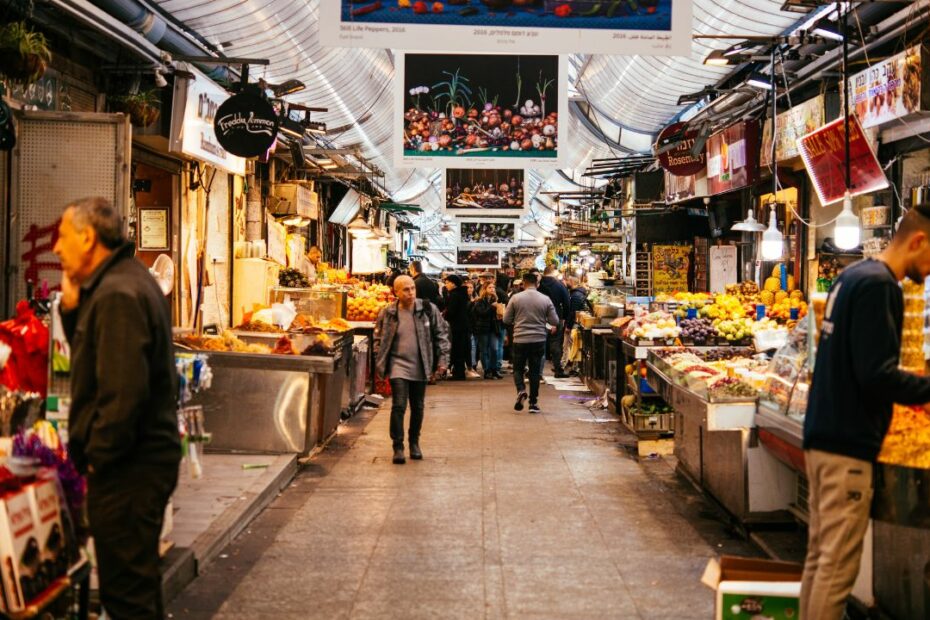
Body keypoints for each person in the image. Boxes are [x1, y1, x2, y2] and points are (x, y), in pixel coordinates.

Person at [52, 197, 181, 619]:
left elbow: (121, 398)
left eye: (63, 236)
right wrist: (73, 311)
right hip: (138, 466)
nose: (55, 247)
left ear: (87, 239)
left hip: (128, 471)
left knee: (126, 598)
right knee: (137, 590)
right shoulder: (125, 282)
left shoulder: (119, 293)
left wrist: (95, 467)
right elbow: (97, 357)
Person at [801, 206, 930, 620]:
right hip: (848, 447)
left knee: (820, 560)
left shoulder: (852, 276)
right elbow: (877, 376)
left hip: (823, 436)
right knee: (837, 571)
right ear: (918, 242)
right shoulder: (882, 287)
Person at [375, 276, 450, 464]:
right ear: (396, 292)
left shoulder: (427, 309)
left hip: (421, 365)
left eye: (412, 289)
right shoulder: (388, 312)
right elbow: (378, 337)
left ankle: (414, 442)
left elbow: (442, 335)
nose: (410, 293)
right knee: (399, 405)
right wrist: (380, 359)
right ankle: (398, 447)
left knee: (418, 406)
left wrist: (442, 360)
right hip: (397, 365)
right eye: (406, 290)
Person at [503, 272, 558, 414]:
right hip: (538, 340)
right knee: (534, 372)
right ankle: (533, 403)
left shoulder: (515, 298)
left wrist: (518, 321)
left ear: (523, 283)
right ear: (537, 284)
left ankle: (521, 390)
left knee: (518, 369)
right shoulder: (545, 299)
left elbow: (506, 320)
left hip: (520, 339)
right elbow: (555, 321)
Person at [537, 266, 570, 378]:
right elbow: (567, 303)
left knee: (539, 344)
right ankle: (558, 369)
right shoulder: (559, 285)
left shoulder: (538, 285)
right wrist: (564, 317)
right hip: (556, 317)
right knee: (555, 344)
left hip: (539, 318)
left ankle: (537, 371)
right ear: (554, 273)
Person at [443, 274, 472, 380]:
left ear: (453, 283)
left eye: (447, 283)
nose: (446, 285)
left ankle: (459, 374)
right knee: (461, 349)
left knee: (457, 349)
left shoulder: (454, 295)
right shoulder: (462, 293)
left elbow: (452, 311)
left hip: (457, 326)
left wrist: (445, 315)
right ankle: (459, 372)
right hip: (463, 325)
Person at [470, 284, 503, 379]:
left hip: (494, 328)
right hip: (482, 328)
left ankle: (494, 369)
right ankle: (487, 370)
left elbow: (499, 316)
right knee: (484, 350)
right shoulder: (479, 301)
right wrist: (492, 307)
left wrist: (500, 314)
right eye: (490, 287)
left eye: (493, 287)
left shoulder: (496, 301)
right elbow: (482, 313)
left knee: (494, 349)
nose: (492, 289)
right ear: (484, 289)